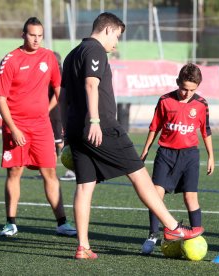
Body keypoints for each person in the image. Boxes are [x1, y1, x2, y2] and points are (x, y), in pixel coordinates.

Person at [60, 12, 204, 260]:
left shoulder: (72, 53)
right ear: (107, 30)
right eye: (116, 36)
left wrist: (67, 131)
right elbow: (91, 85)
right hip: (102, 127)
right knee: (139, 174)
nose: (116, 43)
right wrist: (94, 121)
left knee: (84, 186)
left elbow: (63, 97)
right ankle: (172, 228)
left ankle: (83, 246)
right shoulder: (94, 50)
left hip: (77, 130)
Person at [0, 17, 76, 237]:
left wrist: (53, 114)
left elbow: (59, 90)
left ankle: (62, 223)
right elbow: (0, 99)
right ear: (23, 35)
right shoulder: (10, 60)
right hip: (16, 125)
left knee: (49, 172)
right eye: (32, 35)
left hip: (41, 126)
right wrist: (13, 128)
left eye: (40, 35)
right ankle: (10, 223)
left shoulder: (49, 57)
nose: (36, 39)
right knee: (15, 172)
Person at [140, 63, 214, 255]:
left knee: (190, 198)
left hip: (189, 155)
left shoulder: (201, 104)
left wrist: (211, 156)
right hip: (165, 154)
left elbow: (205, 131)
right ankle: (152, 235)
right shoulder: (165, 100)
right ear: (177, 82)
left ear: (197, 87)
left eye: (191, 90)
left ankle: (197, 235)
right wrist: (146, 149)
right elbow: (154, 126)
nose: (186, 93)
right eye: (183, 88)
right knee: (156, 195)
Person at [47, 51, 76, 181]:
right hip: (53, 113)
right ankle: (49, 171)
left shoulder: (58, 72)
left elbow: (57, 94)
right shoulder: (52, 72)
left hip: (57, 113)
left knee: (61, 142)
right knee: (53, 142)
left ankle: (73, 170)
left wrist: (47, 109)